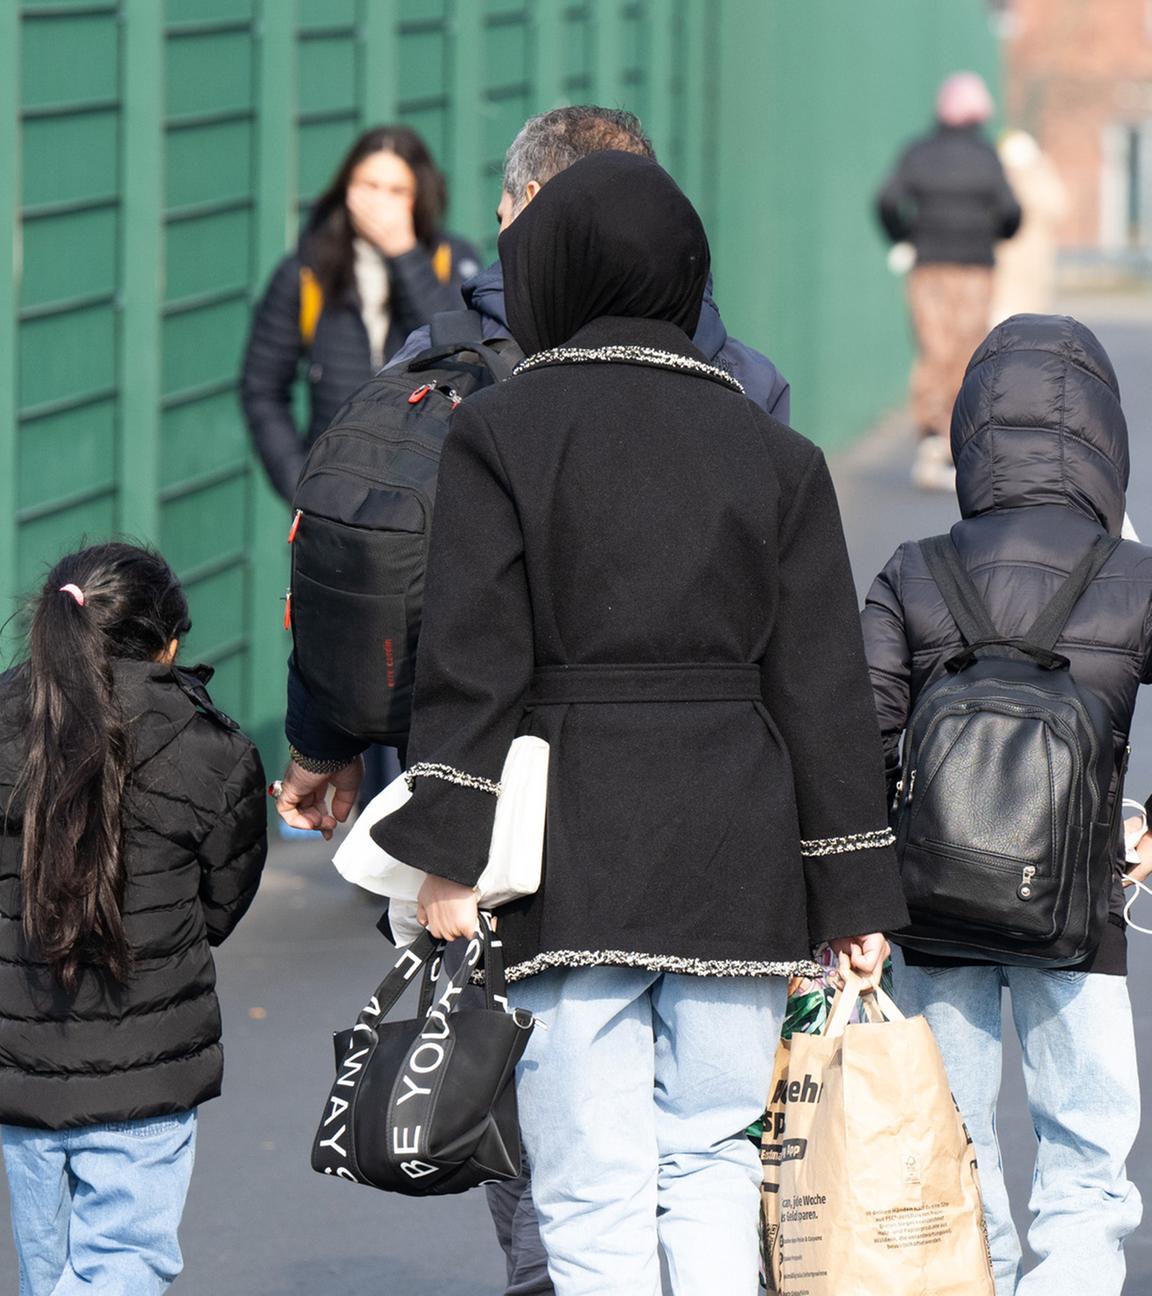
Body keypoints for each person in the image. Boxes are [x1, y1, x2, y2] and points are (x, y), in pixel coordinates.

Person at [274, 105, 796, 1296]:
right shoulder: (739, 384)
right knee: (700, 1126)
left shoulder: (441, 372)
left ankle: (551, 1277)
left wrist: (327, 747)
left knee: (527, 1084)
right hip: (711, 803)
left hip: (482, 799)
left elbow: (360, 562)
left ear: (522, 218)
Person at [371, 151, 908, 1295]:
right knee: (712, 1156)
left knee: (588, 1178)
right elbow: (819, 686)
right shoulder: (777, 455)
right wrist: (855, 893)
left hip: (576, 850)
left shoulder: (504, 434)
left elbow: (473, 665)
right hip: (739, 854)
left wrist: (447, 860)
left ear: (553, 271)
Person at [862, 314, 1148, 1296]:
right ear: (1105, 438)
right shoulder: (1132, 574)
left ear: (973, 428)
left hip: (931, 905)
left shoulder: (914, 567)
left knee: (947, 1139)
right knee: (1086, 1146)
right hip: (1080, 907)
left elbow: (862, 734)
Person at [0, 544, 268, 1294]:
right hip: (143, 1060)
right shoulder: (208, 745)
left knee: (48, 1271)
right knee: (124, 1263)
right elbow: (224, 897)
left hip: (22, 1064)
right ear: (169, 643)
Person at [241, 124, 481, 502]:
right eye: (368, 186)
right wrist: (300, 483)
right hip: (336, 496)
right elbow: (262, 389)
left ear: (420, 196)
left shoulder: (452, 261)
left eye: (397, 191)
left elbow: (461, 348)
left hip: (427, 494)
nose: (380, 202)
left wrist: (403, 252)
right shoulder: (305, 272)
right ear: (346, 190)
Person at [876, 72, 1021, 491]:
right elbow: (1011, 211)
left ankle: (931, 437)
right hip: (976, 266)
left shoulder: (917, 153)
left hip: (929, 266)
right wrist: (996, 235)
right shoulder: (987, 157)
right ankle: (959, 440)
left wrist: (903, 237)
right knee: (967, 349)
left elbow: (887, 200)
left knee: (931, 347)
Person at [989, 130, 1067, 325]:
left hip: (1032, 265)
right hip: (1006, 268)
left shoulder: (1040, 181)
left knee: (1030, 318)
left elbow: (1057, 207)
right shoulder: (1001, 182)